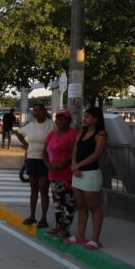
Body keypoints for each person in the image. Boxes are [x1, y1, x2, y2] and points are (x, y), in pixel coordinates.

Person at [67, 107, 107, 250]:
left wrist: (78, 165)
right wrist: (74, 166)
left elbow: (96, 154)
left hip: (90, 174)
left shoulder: (100, 134)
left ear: (96, 119)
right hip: (77, 173)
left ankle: (95, 239)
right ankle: (80, 235)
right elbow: (75, 151)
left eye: (88, 116)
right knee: (81, 206)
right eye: (85, 116)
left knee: (94, 207)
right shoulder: (82, 132)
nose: (85, 119)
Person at [16, 104, 57, 228]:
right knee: (33, 188)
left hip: (46, 160)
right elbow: (19, 133)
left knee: (43, 188)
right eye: (35, 110)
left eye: (39, 110)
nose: (37, 112)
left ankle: (44, 218)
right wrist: (26, 146)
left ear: (45, 111)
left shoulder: (52, 125)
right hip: (32, 158)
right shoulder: (30, 125)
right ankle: (32, 216)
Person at [43, 109, 77, 240]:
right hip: (53, 174)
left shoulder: (73, 134)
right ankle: (58, 226)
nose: (61, 121)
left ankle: (65, 229)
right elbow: (45, 151)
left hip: (67, 174)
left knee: (68, 203)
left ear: (69, 120)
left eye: (64, 119)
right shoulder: (51, 135)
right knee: (57, 202)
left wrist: (62, 164)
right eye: (58, 118)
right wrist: (47, 164)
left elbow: (74, 152)